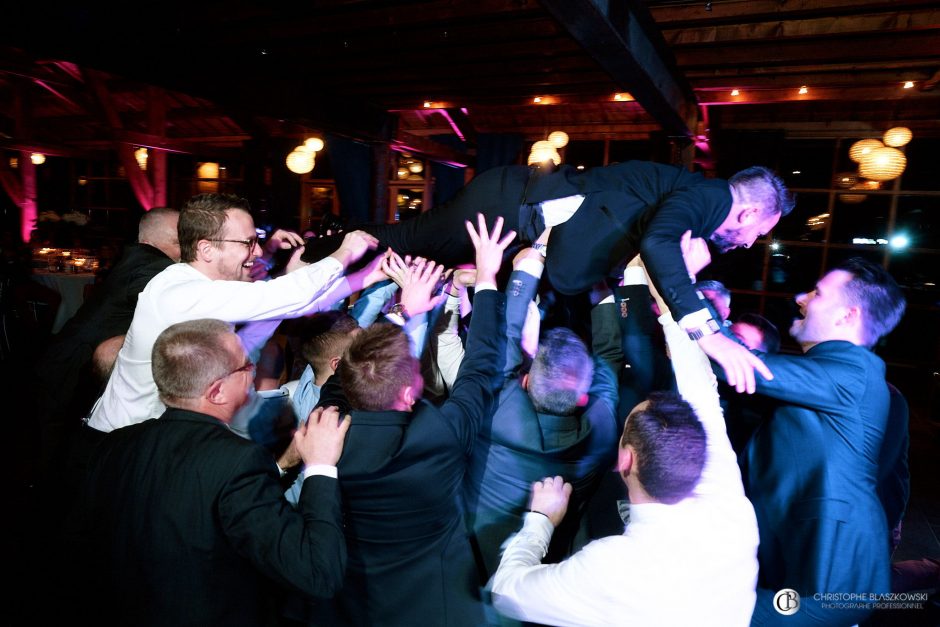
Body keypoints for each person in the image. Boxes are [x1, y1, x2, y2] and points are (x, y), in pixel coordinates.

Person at [325, 161, 794, 394]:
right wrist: (708, 332)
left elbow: (634, 269)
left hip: (513, 209)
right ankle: (313, 262)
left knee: (401, 241)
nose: (751, 242)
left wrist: (634, 296)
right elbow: (657, 246)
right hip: (509, 208)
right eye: (760, 231)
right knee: (403, 238)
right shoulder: (711, 197)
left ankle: (322, 267)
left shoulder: (681, 202)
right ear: (750, 210)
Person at [489, 268, 760, 627]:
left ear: (625, 458)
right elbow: (697, 382)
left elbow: (505, 591)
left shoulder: (610, 566)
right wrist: (665, 274)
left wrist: (540, 520)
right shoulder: (730, 507)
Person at [66, 319, 350, 627]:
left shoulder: (114, 443)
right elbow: (317, 573)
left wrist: (284, 462)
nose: (253, 373)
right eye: (246, 368)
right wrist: (320, 465)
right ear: (216, 392)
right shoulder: (240, 460)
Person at [307, 215, 513, 627]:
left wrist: (404, 310)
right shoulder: (442, 433)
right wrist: (487, 276)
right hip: (437, 603)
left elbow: (342, 379)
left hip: (356, 600)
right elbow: (483, 362)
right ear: (407, 393)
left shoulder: (326, 431)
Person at [83, 193, 380, 441]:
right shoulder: (180, 293)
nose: (259, 250)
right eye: (247, 243)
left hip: (149, 436)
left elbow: (281, 310)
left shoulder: (207, 290)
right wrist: (345, 253)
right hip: (119, 438)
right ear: (206, 249)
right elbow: (284, 297)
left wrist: (364, 278)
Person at [737, 257, 906, 626]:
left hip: (829, 581)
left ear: (847, 315)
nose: (801, 297)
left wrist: (690, 314)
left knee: (705, 610)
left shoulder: (853, 372)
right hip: (806, 565)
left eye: (817, 292)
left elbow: (741, 365)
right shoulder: (829, 373)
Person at [463, 241, 619, 579]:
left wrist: (530, 262)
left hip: (472, 561)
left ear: (525, 381)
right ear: (582, 396)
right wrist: (599, 286)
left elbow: (503, 341)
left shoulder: (497, 414)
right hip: (549, 566)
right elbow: (610, 358)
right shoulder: (603, 429)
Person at [34, 207, 180, 480]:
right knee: (60, 454)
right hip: (73, 365)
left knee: (58, 447)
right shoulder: (154, 266)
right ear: (158, 240)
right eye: (179, 239)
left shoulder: (137, 257)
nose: (185, 244)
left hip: (69, 358)